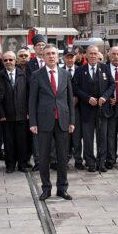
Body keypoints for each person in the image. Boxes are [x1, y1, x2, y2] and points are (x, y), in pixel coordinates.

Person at [29, 44, 74, 201]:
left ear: (58, 55)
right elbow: (32, 101)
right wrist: (33, 122)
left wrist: (71, 121)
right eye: (48, 53)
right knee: (44, 157)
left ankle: (62, 188)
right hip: (43, 121)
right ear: (43, 55)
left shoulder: (64, 74)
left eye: (54, 53)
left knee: (62, 157)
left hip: (62, 120)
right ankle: (46, 188)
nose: (51, 56)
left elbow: (69, 100)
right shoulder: (36, 75)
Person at [73, 45, 112, 173]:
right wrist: (87, 98)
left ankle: (101, 163)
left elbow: (112, 85)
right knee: (88, 138)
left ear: (98, 55)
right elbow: (75, 87)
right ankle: (90, 163)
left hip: (102, 109)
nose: (93, 56)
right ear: (86, 55)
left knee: (103, 138)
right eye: (91, 54)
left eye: (95, 54)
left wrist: (105, 97)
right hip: (86, 110)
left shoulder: (105, 68)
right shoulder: (80, 71)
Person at [0, 51, 30, 173]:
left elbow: (28, 94)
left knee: (22, 141)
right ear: (2, 62)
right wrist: (1, 114)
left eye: (10, 60)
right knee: (9, 142)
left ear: (15, 61)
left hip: (22, 114)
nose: (8, 62)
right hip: (7, 115)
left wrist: (28, 111)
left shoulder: (23, 74)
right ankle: (10, 164)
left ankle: (22, 164)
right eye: (5, 60)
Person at [62, 51, 83, 170]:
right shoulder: (60, 71)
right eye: (67, 58)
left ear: (75, 58)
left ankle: (78, 159)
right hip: (64, 108)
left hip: (78, 108)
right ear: (64, 58)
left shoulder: (80, 70)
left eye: (72, 57)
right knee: (65, 136)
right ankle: (65, 159)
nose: (70, 60)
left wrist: (77, 98)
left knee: (77, 135)